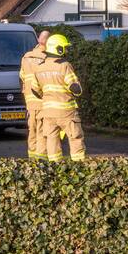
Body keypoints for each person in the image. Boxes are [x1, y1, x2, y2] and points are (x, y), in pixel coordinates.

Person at [34, 33, 85, 162]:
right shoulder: (64, 65)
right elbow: (76, 89)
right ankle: (79, 166)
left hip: (48, 113)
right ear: (59, 48)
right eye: (64, 47)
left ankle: (55, 168)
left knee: (52, 141)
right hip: (66, 111)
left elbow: (35, 90)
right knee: (75, 138)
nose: (66, 50)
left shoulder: (40, 67)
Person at [20, 30, 51, 159]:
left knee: (31, 128)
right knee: (42, 130)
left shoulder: (26, 57)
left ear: (38, 39)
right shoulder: (49, 57)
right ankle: (41, 157)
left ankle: (31, 155)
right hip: (43, 99)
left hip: (30, 100)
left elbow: (22, 76)